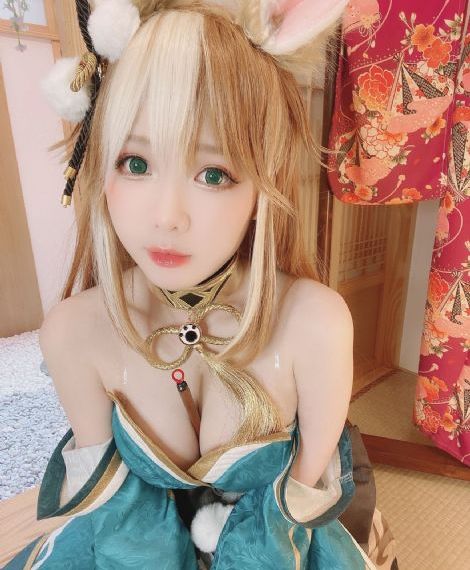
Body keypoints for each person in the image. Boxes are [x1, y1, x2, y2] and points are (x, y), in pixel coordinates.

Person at [4, 1, 387, 568]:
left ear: (262, 185)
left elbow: (295, 510)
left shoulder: (315, 322)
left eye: (213, 174)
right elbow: (120, 518)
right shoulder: (74, 330)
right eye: (135, 164)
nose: (167, 217)